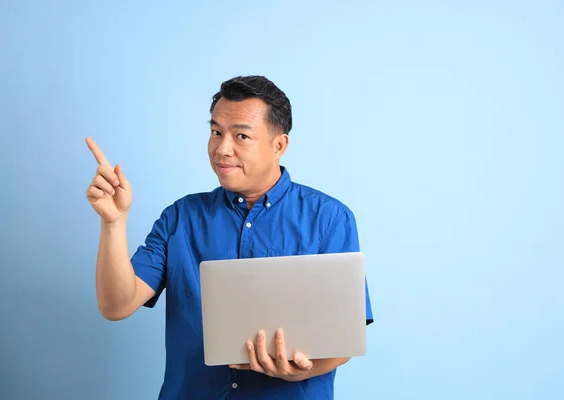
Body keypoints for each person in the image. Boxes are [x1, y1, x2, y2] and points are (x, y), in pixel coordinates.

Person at [85, 75, 374, 399]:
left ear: (279, 145)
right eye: (216, 132)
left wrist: (301, 371)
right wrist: (114, 222)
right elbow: (116, 305)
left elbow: (344, 340)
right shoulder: (180, 217)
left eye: (241, 136)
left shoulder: (329, 219)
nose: (222, 148)